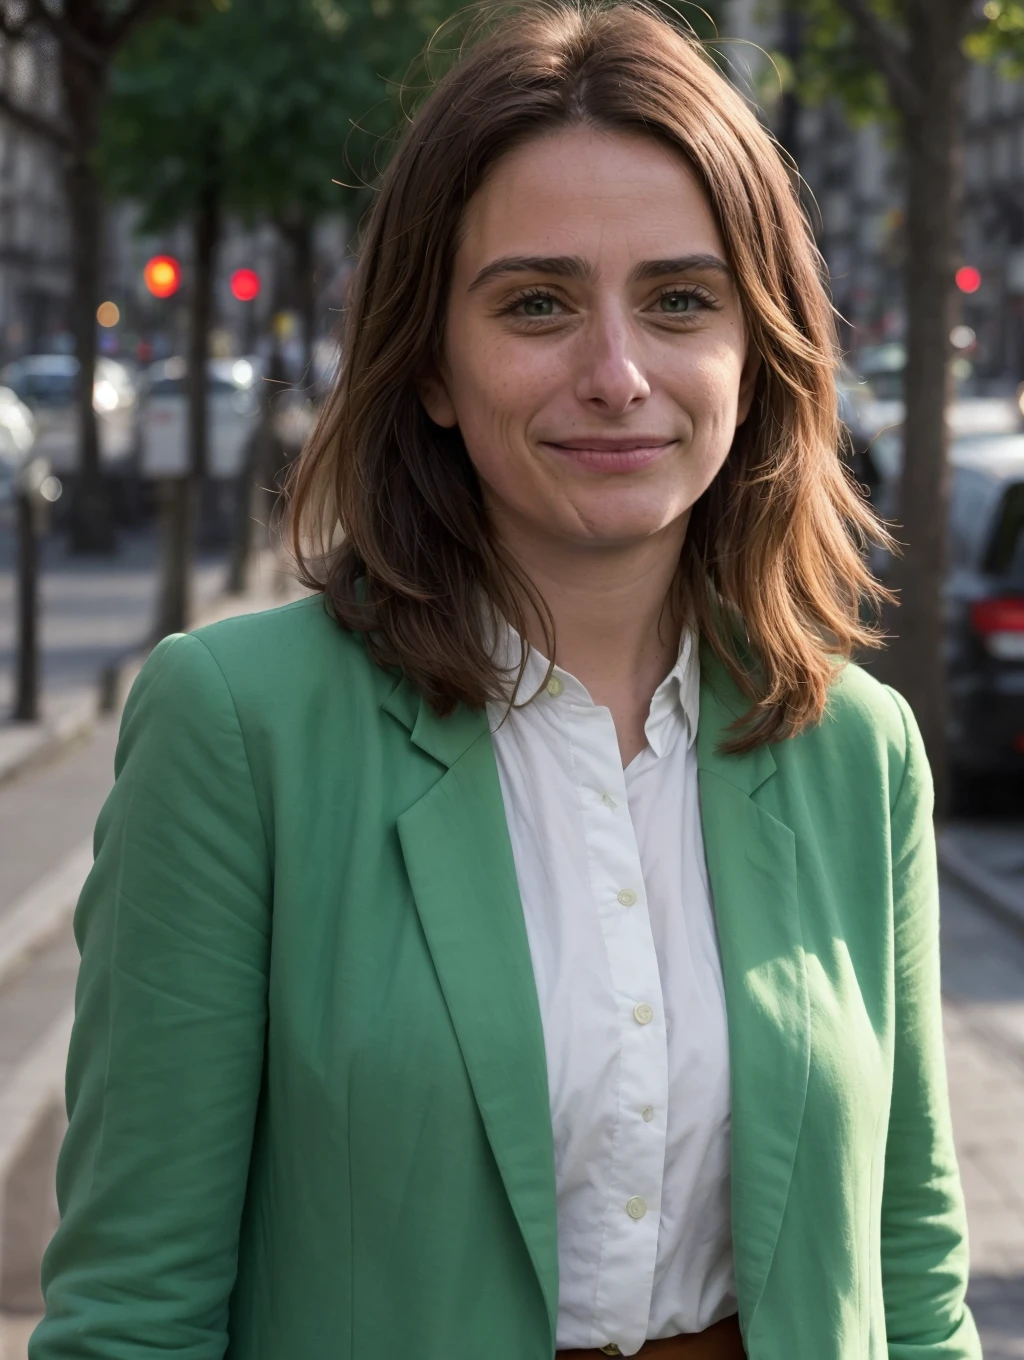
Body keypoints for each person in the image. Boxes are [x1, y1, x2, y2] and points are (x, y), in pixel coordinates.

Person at [31, 5, 980, 1358]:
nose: (617, 374)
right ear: (427, 362)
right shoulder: (237, 726)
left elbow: (914, 1284)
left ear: (756, 349)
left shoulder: (858, 749)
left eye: (680, 300)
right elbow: (133, 1318)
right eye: (537, 303)